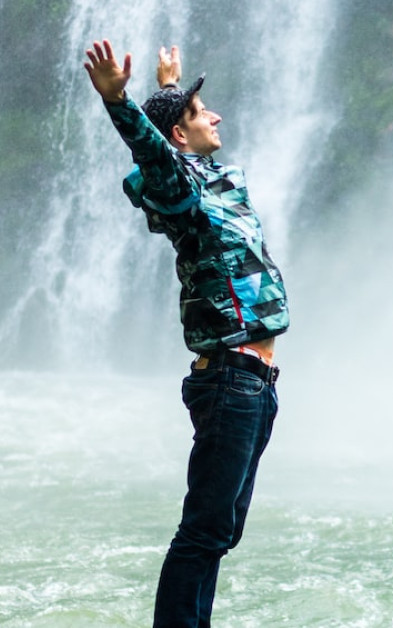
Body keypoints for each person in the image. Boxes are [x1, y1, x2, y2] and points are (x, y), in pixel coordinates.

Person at [83, 39, 290, 627]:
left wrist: (172, 93)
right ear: (178, 136)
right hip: (231, 379)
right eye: (202, 114)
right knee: (202, 533)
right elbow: (154, 162)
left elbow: (172, 155)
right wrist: (122, 104)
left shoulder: (217, 183)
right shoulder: (183, 196)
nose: (216, 115)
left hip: (256, 381)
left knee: (220, 531)